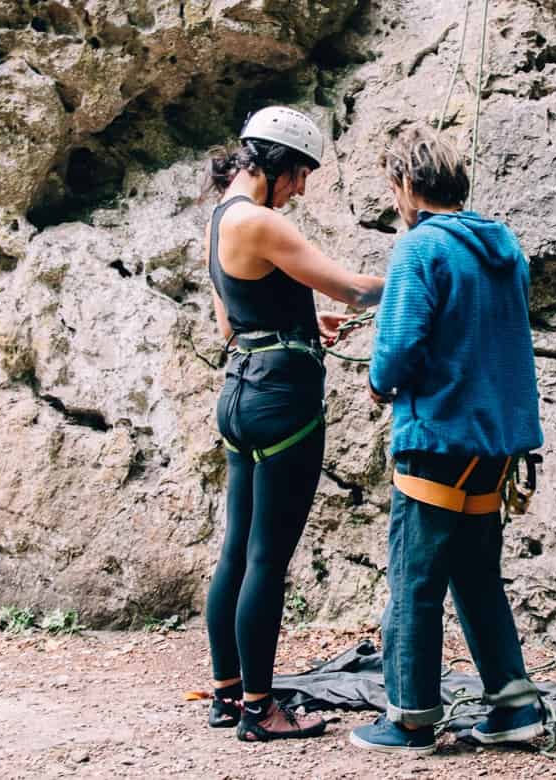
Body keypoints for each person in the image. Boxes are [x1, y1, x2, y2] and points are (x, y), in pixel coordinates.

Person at [349, 124, 544, 755]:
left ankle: (409, 717)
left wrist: (380, 383)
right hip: (496, 446)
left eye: (394, 187)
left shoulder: (418, 248)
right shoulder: (504, 246)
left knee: (415, 579)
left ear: (407, 182)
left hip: (435, 436)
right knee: (476, 575)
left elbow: (399, 346)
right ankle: (515, 707)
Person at [202, 106, 384, 742]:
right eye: (302, 173)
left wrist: (301, 327)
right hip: (283, 401)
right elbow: (357, 292)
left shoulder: (223, 217)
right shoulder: (261, 219)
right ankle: (261, 710)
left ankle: (227, 698)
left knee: (236, 553)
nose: (303, 188)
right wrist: (431, 271)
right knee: (267, 561)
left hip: (240, 396)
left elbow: (233, 324)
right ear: (277, 164)